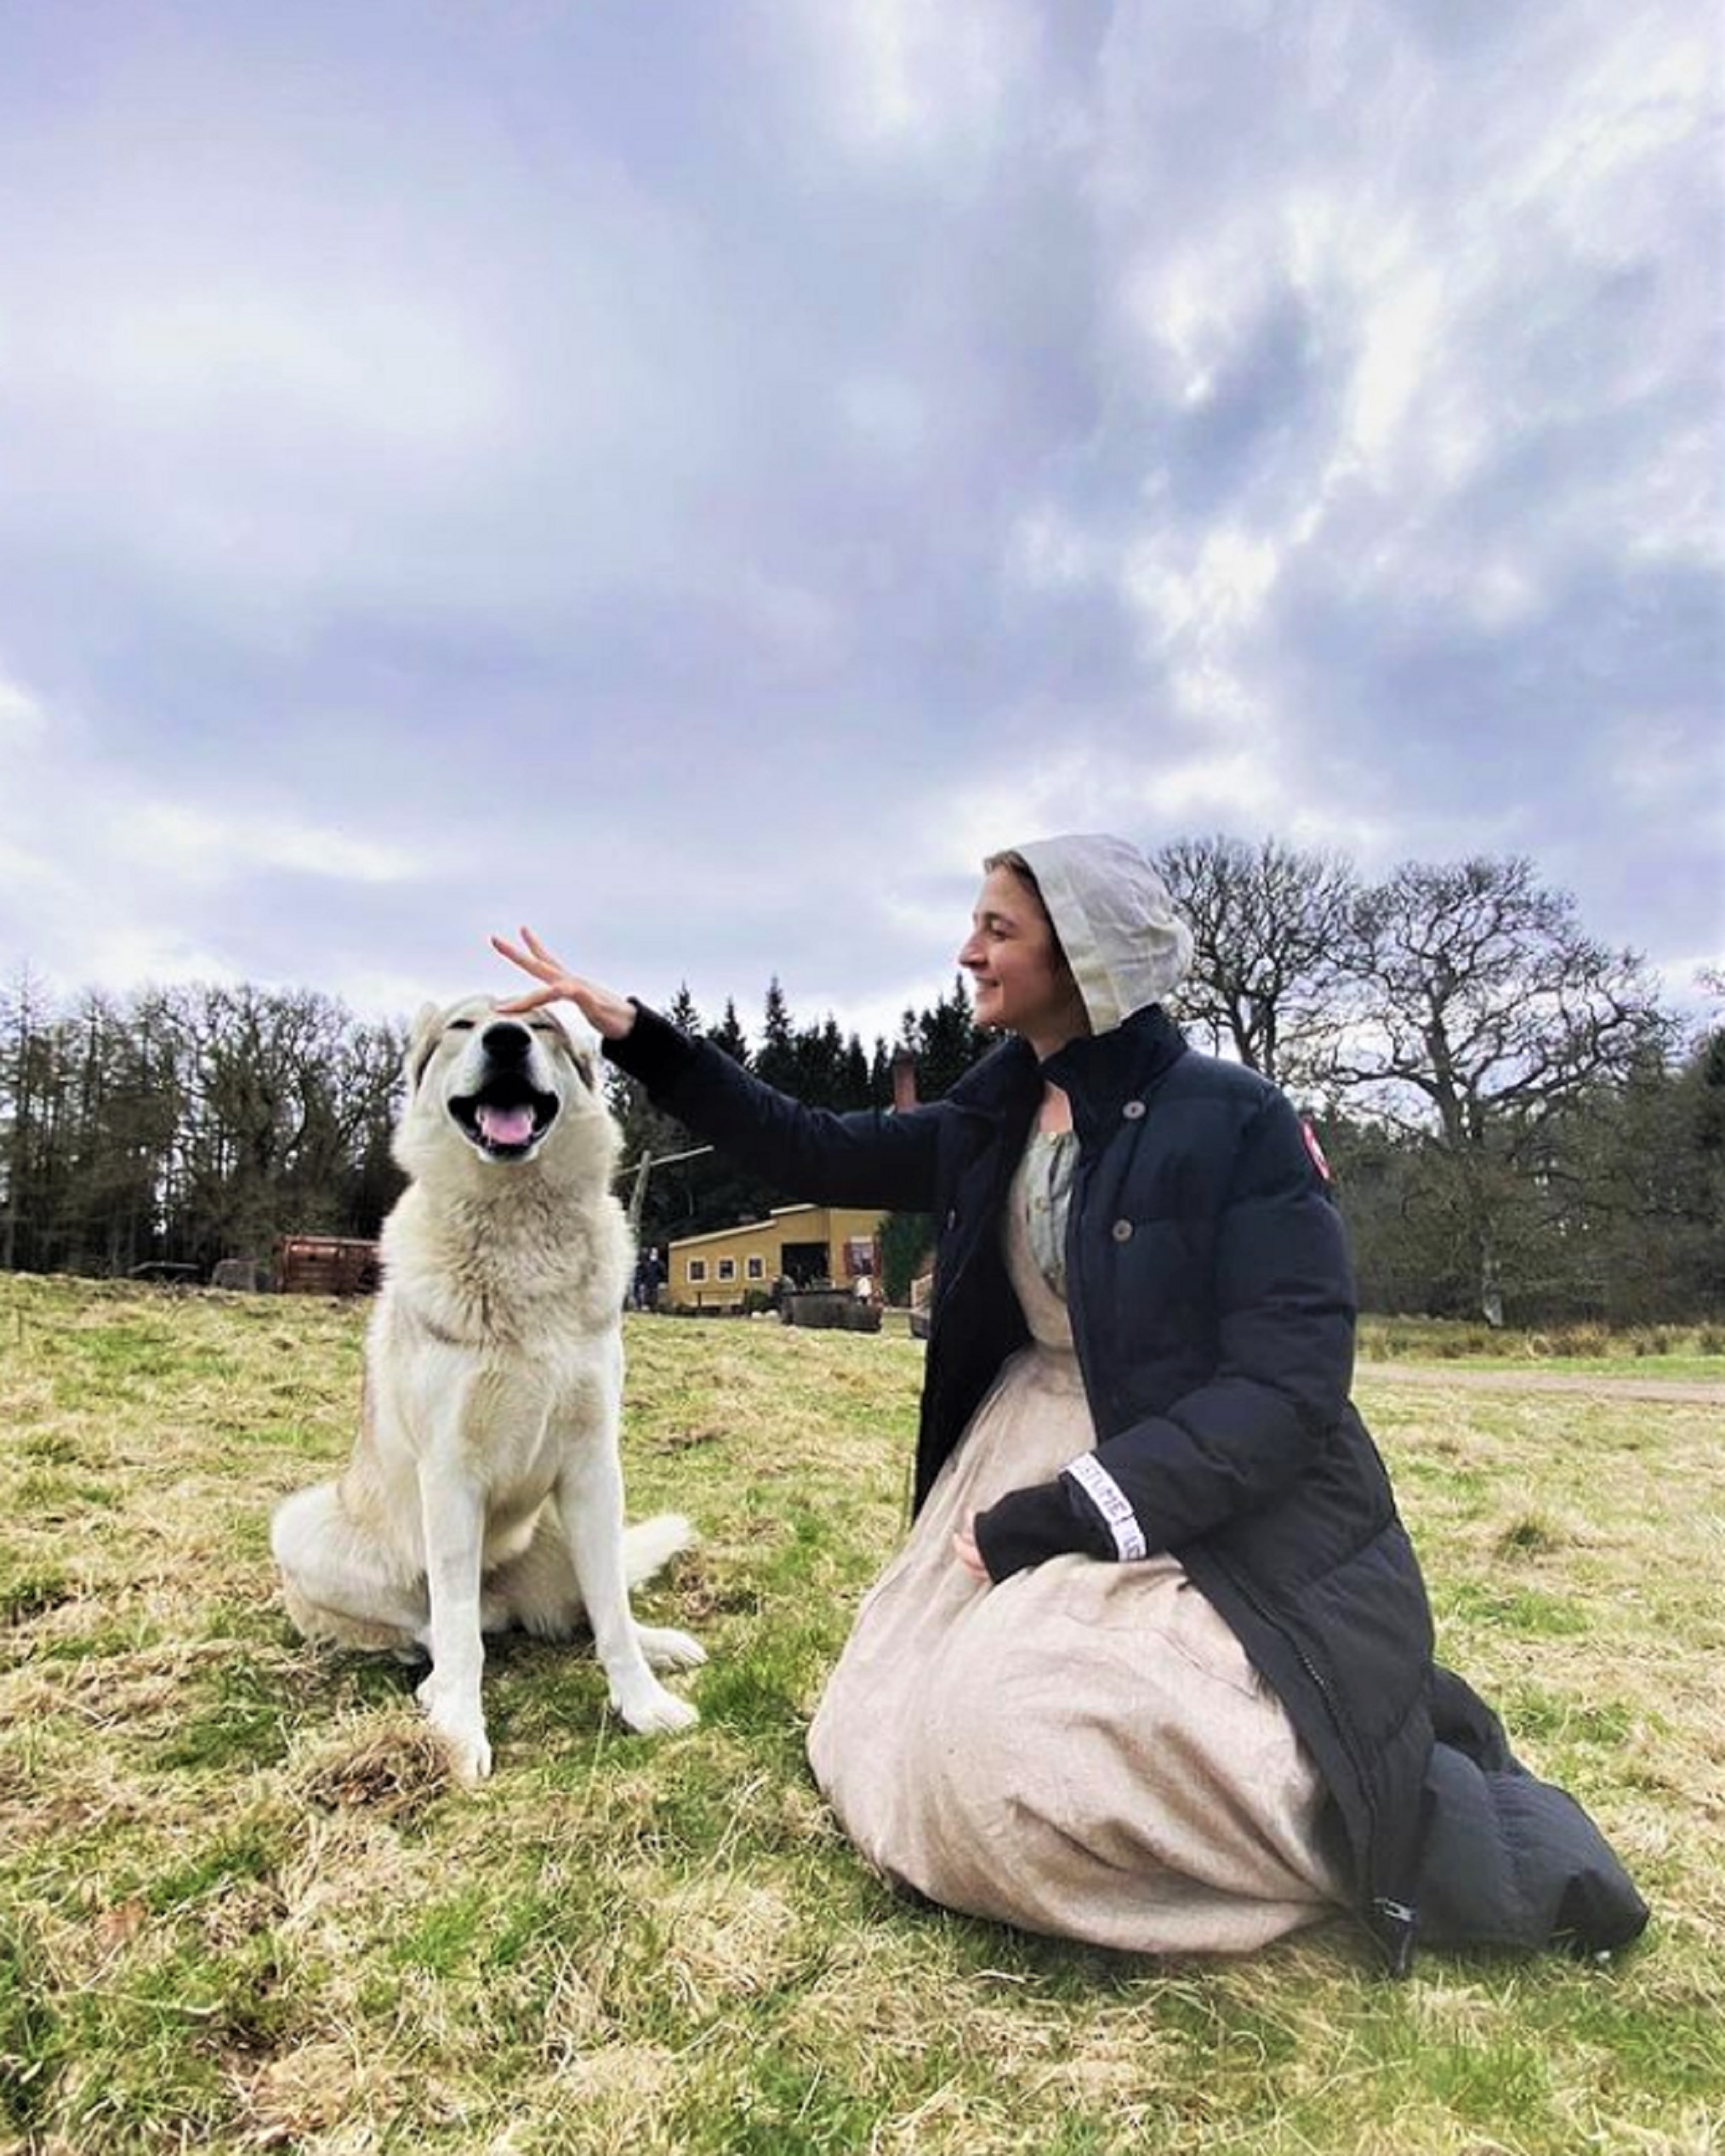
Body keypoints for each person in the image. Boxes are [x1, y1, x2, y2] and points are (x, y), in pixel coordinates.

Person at [491, 837, 1646, 1971]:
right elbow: (815, 1150)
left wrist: (1071, 1512)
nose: (967, 953)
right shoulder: (993, 1117)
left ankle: (1338, 1824)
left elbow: (1288, 1386)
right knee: (882, 1729)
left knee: (1013, 1753)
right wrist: (633, 1033)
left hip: (1205, 1497)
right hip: (1019, 1442)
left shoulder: (1236, 1121)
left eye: (999, 930)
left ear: (1083, 958)